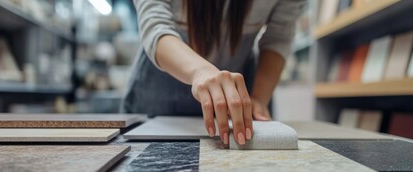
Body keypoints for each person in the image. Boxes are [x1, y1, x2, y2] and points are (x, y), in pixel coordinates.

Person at [123, 0, 305, 145]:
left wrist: (258, 99)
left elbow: (278, 38)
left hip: (235, 105)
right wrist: (201, 71)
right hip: (157, 103)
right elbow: (155, 26)